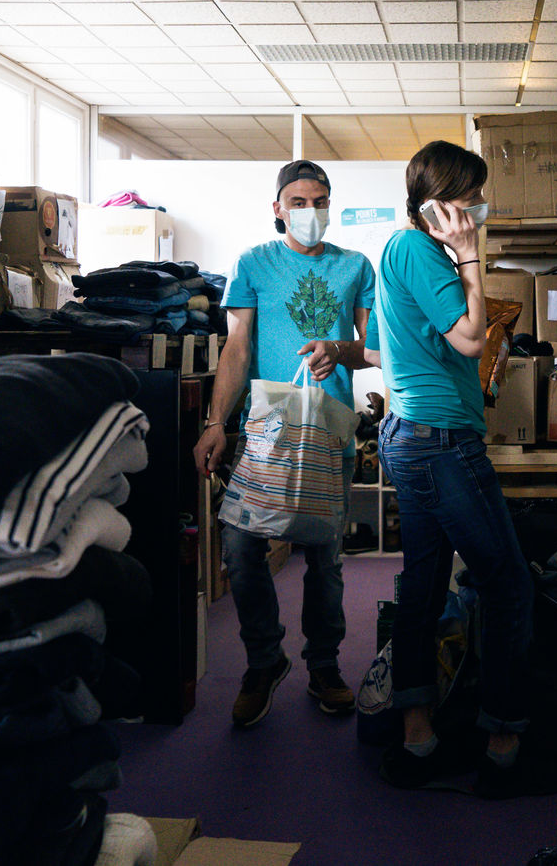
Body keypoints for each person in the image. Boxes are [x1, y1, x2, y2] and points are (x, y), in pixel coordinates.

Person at [363, 140, 557, 799]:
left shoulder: (404, 253)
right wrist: (472, 257)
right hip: (440, 443)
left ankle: (418, 740)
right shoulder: (419, 250)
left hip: (418, 435)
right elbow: (470, 337)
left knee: (423, 588)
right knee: (507, 586)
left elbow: (390, 349)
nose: (479, 207)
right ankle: (503, 748)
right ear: (437, 205)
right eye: (470, 197)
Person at [194, 159, 375, 728]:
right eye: (298, 202)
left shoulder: (355, 266)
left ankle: (323, 665)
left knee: (324, 559)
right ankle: (263, 660)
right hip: (266, 432)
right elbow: (237, 347)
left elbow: (374, 349)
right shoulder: (253, 263)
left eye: (319, 201)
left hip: (328, 433)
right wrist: (216, 421)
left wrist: (338, 350)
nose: (309, 211)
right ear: (278, 208)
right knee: (241, 549)